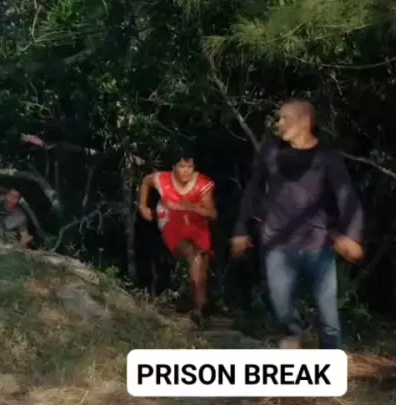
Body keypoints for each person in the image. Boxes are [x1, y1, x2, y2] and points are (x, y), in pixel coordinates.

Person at [231, 99, 365, 349]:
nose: (279, 123)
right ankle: (294, 338)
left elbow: (347, 197)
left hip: (318, 246)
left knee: (328, 317)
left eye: (285, 118)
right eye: (279, 118)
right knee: (282, 309)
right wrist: (240, 229)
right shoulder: (271, 153)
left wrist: (353, 236)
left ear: (305, 122)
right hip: (277, 246)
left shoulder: (327, 158)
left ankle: (330, 359)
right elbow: (253, 190)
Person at [138, 156, 217, 326]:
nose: (186, 171)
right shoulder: (163, 179)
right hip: (172, 225)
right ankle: (200, 307)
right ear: (174, 166)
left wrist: (189, 207)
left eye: (190, 167)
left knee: (201, 271)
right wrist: (143, 206)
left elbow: (212, 214)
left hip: (197, 228)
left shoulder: (202, 185)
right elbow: (146, 181)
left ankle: (200, 309)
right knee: (193, 255)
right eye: (182, 166)